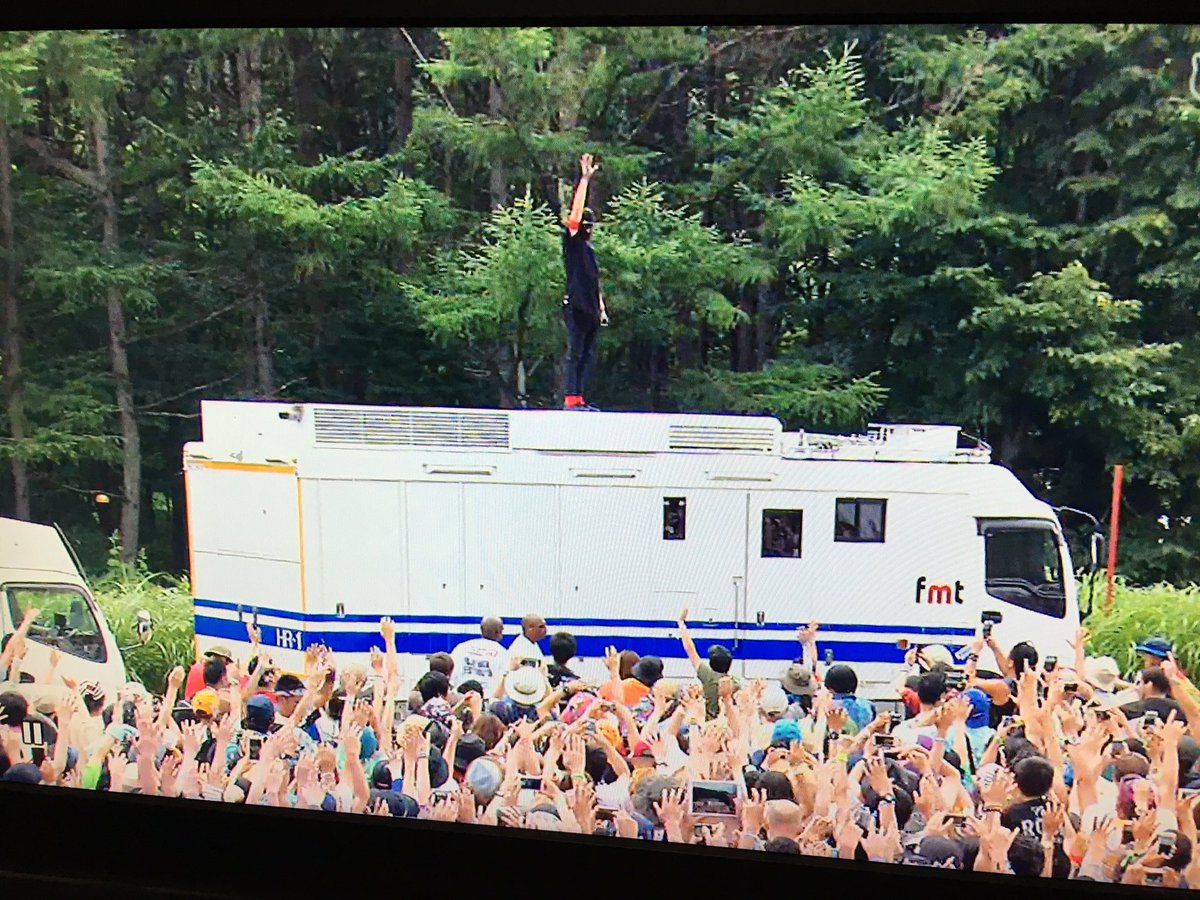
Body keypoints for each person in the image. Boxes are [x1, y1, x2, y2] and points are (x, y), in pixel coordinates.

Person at [560, 152, 608, 411]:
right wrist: (585, 180)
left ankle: (579, 398)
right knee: (576, 352)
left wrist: (601, 308)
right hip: (577, 305)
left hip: (590, 307)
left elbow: (595, 280)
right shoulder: (573, 244)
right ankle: (570, 399)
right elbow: (575, 214)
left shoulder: (589, 251)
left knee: (587, 356)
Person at [677, 607, 739, 719]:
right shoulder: (736, 683)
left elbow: (690, 649)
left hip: (708, 719)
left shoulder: (707, 675)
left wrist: (681, 624)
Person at [449, 617, 507, 700]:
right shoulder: (503, 653)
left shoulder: (462, 647)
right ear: (498, 632)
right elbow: (504, 682)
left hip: (459, 699)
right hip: (487, 702)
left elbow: (451, 676)